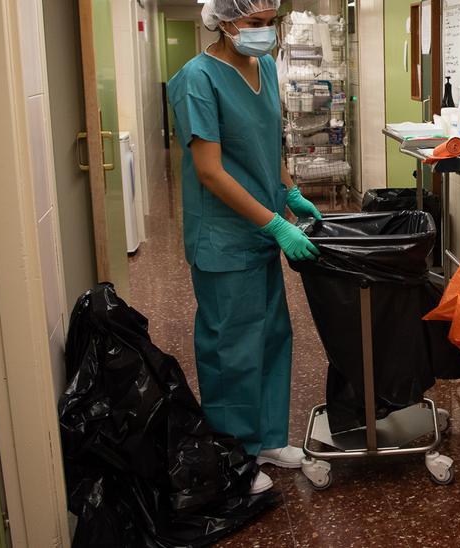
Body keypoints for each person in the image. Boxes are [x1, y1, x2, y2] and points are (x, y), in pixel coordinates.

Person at [169, 0, 325, 494]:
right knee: (231, 349)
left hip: (259, 225)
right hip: (223, 235)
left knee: (273, 334)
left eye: (269, 23)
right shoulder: (197, 79)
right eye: (255, 24)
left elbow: (268, 144)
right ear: (225, 20)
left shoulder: (265, 66)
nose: (266, 33)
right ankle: (234, 456)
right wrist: (276, 225)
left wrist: (290, 190)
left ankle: (269, 439)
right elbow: (211, 171)